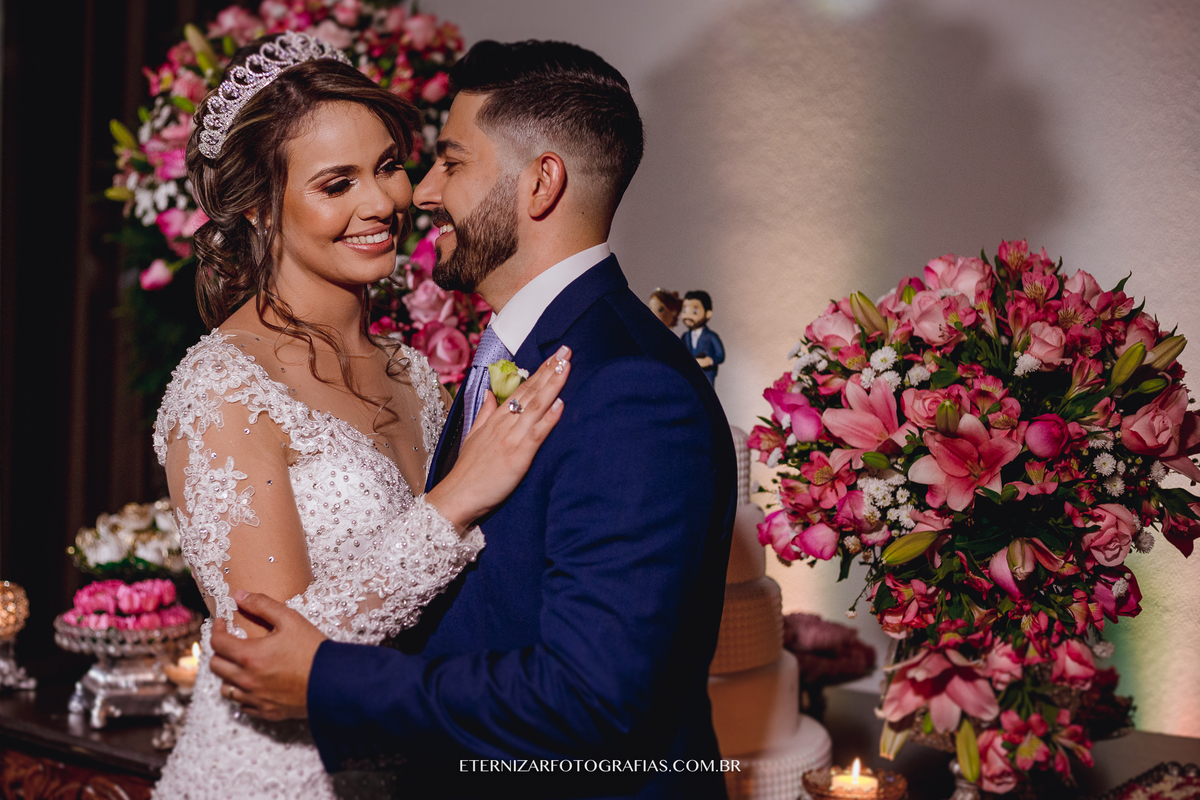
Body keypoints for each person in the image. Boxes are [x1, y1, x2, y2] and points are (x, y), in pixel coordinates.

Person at [209, 39, 737, 799]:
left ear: (541, 183)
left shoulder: (628, 392)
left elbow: (590, 699)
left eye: (450, 163)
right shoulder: (523, 353)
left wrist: (329, 678)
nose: (419, 193)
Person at [150, 32, 571, 799]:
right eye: (335, 184)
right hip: (272, 777)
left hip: (412, 763)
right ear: (257, 208)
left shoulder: (415, 373)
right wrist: (456, 500)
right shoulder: (222, 384)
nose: (383, 203)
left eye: (387, 167)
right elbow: (263, 646)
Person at [680, 290, 725, 386]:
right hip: (690, 375)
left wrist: (710, 361)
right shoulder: (685, 336)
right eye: (684, 310)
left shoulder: (711, 336)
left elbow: (720, 355)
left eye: (695, 311)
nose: (688, 315)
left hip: (707, 375)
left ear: (707, 313)